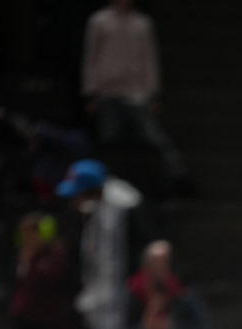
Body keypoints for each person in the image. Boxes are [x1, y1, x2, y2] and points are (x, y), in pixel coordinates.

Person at [81, 0, 190, 193]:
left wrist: (153, 93)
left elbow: (149, 58)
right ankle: (104, 184)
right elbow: (91, 56)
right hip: (107, 92)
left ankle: (179, 176)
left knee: (156, 138)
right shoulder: (99, 21)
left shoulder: (142, 23)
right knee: (108, 141)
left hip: (137, 93)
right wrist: (90, 92)